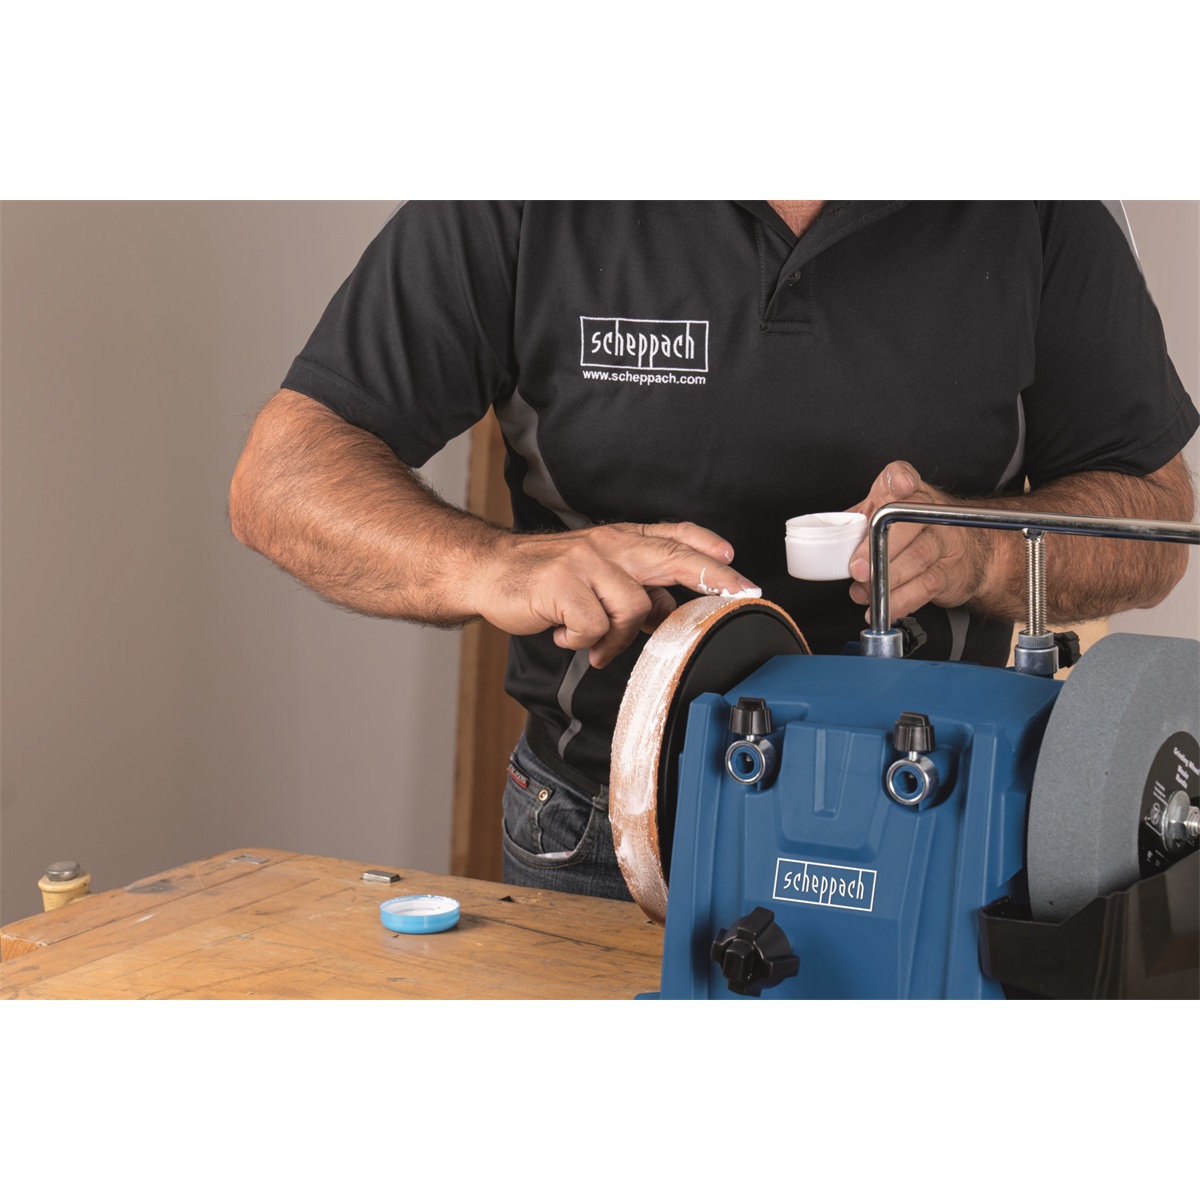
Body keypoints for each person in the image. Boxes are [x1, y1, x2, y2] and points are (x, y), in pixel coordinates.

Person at [230, 201, 1197, 902]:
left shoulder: (1036, 199)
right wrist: (491, 565)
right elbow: (281, 479)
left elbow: (1155, 521)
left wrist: (981, 552)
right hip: (607, 834)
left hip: (942, 817)